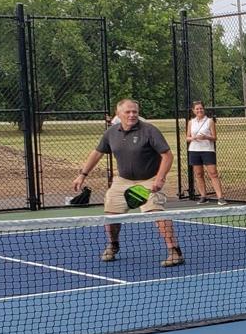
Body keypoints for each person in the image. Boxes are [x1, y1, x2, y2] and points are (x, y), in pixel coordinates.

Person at [70, 99, 183, 267]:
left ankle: (175, 252)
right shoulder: (111, 133)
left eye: (135, 112)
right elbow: (96, 153)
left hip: (148, 180)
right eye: (128, 112)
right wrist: (82, 175)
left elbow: (167, 156)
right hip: (122, 181)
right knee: (111, 215)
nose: (132, 115)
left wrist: (160, 178)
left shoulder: (149, 130)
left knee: (156, 213)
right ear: (118, 114)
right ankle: (113, 245)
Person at [186, 101, 225, 205]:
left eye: (201, 108)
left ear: (204, 109)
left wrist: (206, 137)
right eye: (197, 109)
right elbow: (187, 137)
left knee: (213, 173)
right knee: (198, 174)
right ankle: (203, 196)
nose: (199, 110)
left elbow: (214, 137)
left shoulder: (209, 121)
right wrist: (193, 138)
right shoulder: (191, 122)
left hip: (207, 150)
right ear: (193, 110)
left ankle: (220, 197)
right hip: (194, 150)